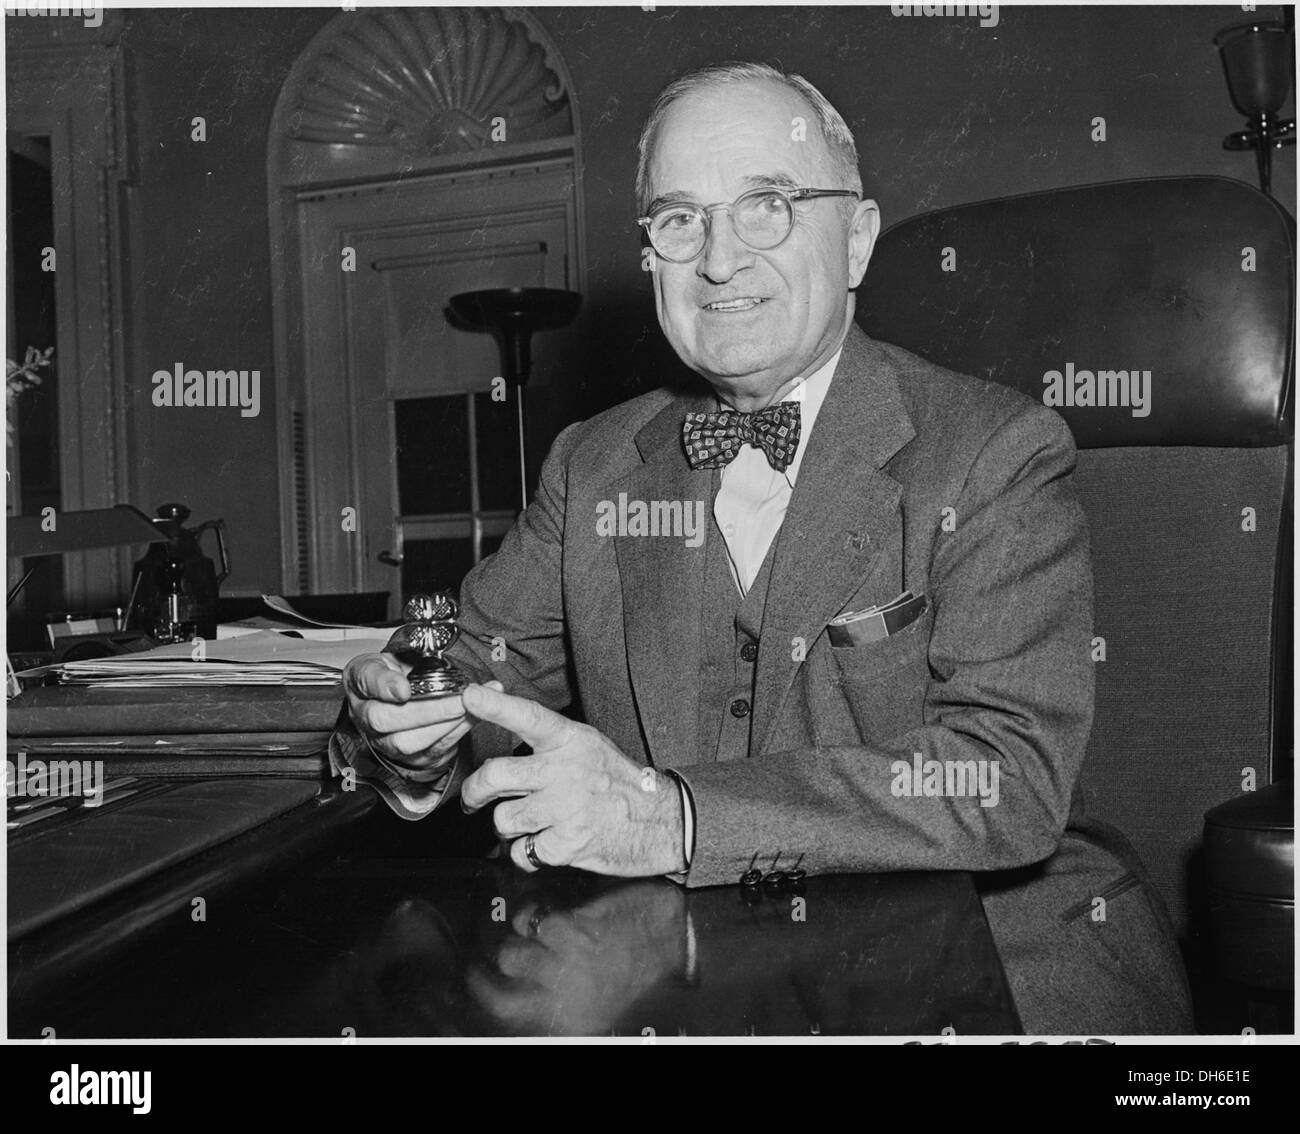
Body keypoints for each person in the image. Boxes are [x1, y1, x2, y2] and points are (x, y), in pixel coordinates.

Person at [336, 61, 1192, 1034]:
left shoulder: (993, 450)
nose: (717, 260)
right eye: (678, 219)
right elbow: (480, 680)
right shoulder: (594, 463)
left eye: (767, 207)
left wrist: (672, 816)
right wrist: (412, 717)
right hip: (680, 968)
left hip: (989, 954)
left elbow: (1004, 777)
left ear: (858, 239)